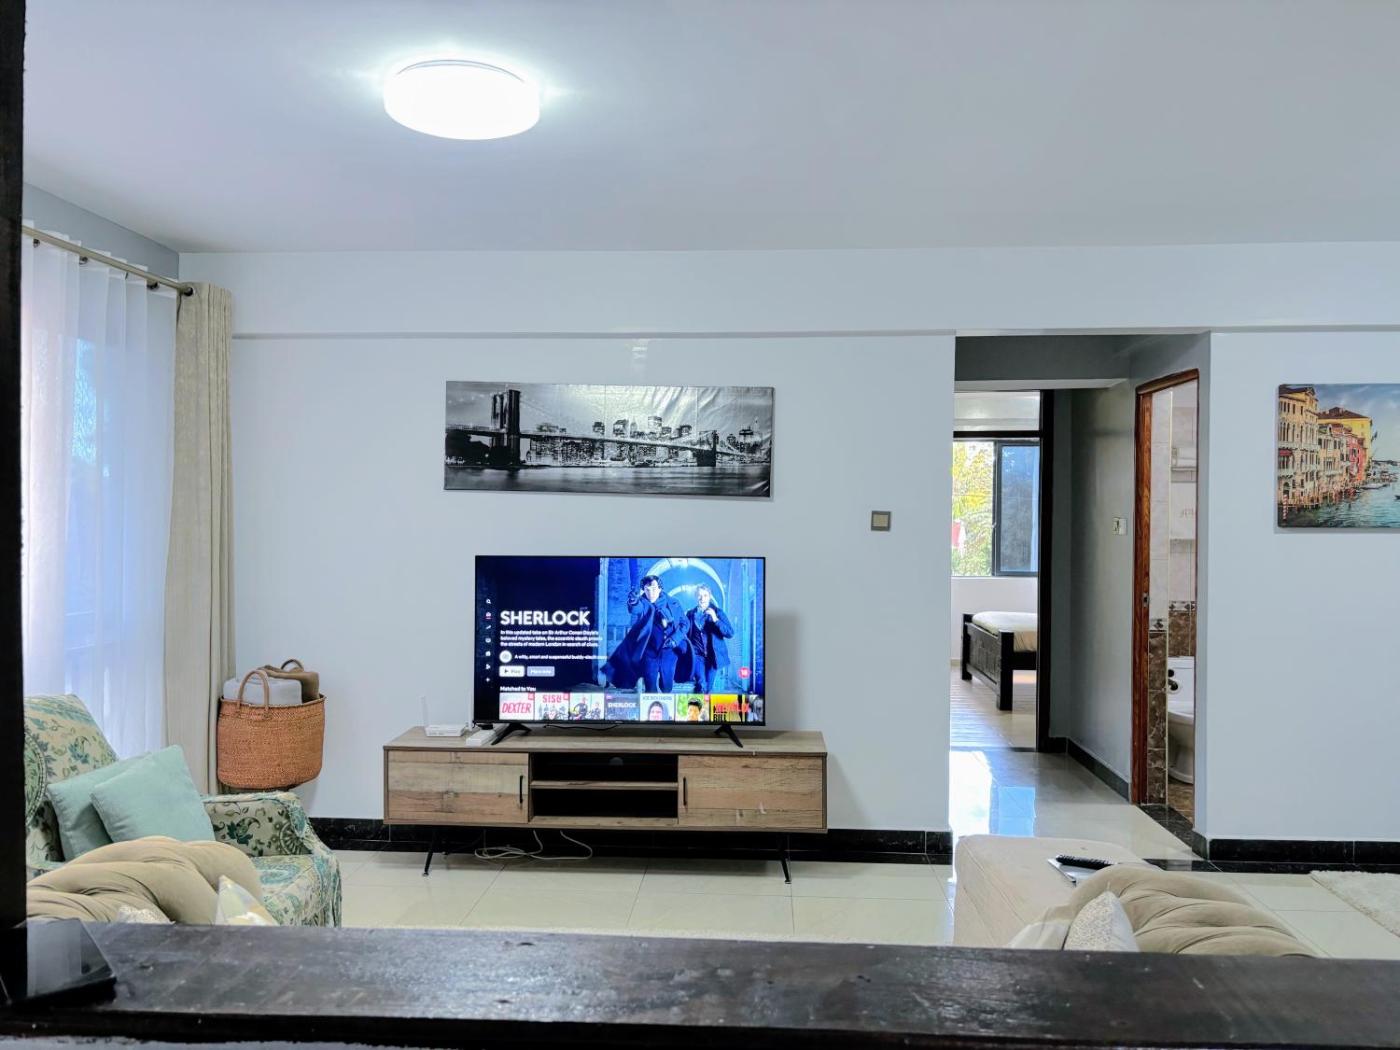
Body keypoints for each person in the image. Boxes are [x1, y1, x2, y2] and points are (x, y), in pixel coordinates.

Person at [684, 584, 734, 693]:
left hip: (713, 657)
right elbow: (685, 633)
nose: (702, 598)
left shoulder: (718, 612)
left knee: (708, 688)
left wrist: (715, 619)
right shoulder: (690, 614)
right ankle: (697, 699)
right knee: (701, 683)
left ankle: (701, 700)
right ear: (696, 596)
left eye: (705, 595)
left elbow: (730, 633)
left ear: (710, 596)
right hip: (697, 655)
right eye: (699, 595)